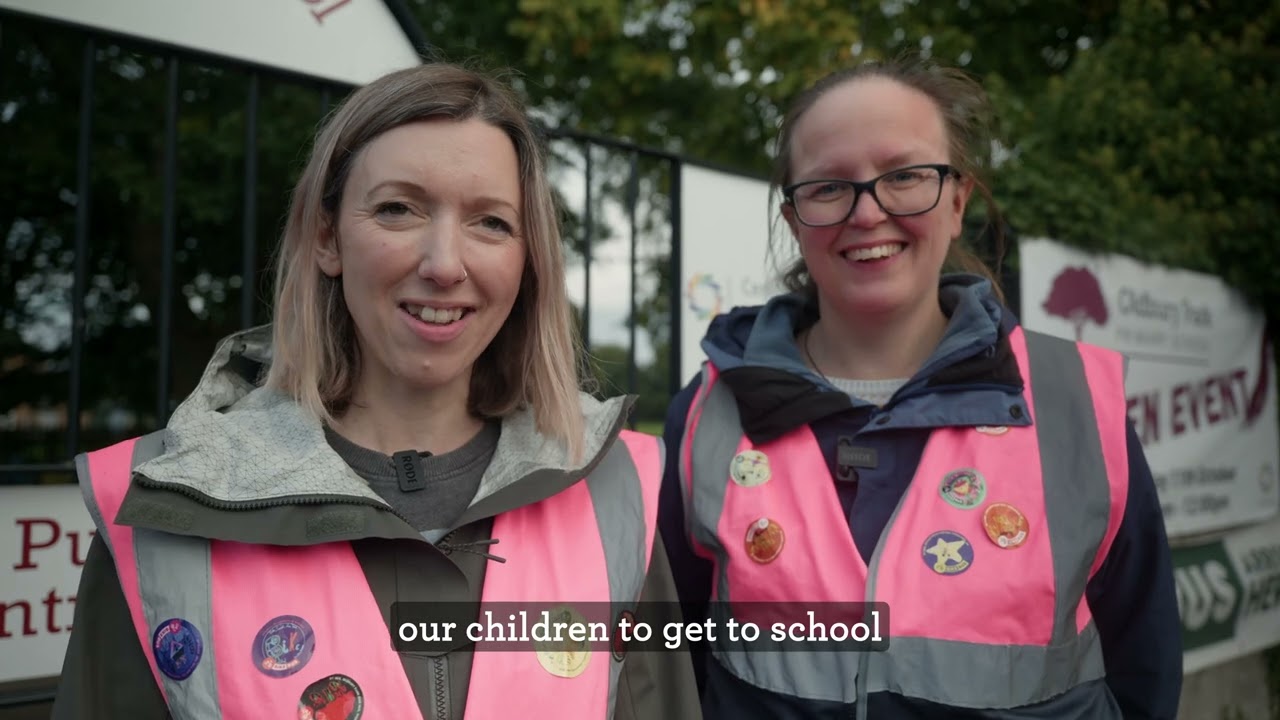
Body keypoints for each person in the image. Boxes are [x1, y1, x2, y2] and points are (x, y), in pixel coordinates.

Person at [53, 62, 700, 720]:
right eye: (398, 208)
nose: (445, 264)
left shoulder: (615, 488)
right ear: (328, 237)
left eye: (491, 223)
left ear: (527, 259)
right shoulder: (163, 510)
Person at [659, 56, 1182, 719]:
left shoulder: (1073, 401)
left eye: (904, 175)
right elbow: (674, 660)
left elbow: (1144, 662)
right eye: (827, 186)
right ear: (794, 220)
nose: (868, 211)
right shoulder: (708, 413)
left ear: (958, 200)